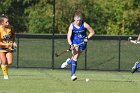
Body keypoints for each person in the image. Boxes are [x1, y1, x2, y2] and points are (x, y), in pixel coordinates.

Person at [61, 10, 95, 81]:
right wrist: (71, 44)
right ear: (74, 19)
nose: (78, 22)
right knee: (75, 57)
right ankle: (73, 75)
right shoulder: (72, 26)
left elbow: (92, 32)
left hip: (83, 43)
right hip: (74, 42)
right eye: (77, 20)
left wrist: (87, 38)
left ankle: (68, 62)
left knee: (75, 58)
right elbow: (68, 37)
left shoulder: (85, 25)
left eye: (79, 20)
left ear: (81, 19)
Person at [0, 14, 17, 79]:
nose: (8, 23)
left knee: (10, 62)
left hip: (9, 47)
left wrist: (14, 42)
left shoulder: (11, 27)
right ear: (2, 23)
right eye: (6, 22)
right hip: (1, 47)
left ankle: (2, 63)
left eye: (8, 21)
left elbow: (13, 35)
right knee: (4, 61)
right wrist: (6, 44)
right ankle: (6, 76)